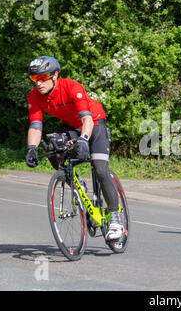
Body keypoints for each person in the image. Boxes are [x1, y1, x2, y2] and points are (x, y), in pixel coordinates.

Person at [24, 56, 124, 240]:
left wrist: (84, 140)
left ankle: (116, 219)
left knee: (100, 169)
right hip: (70, 126)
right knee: (54, 148)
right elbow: (36, 125)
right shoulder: (35, 96)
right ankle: (78, 185)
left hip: (94, 123)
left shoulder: (71, 87)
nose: (38, 83)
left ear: (55, 75)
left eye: (42, 77)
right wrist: (31, 148)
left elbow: (87, 119)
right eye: (34, 79)